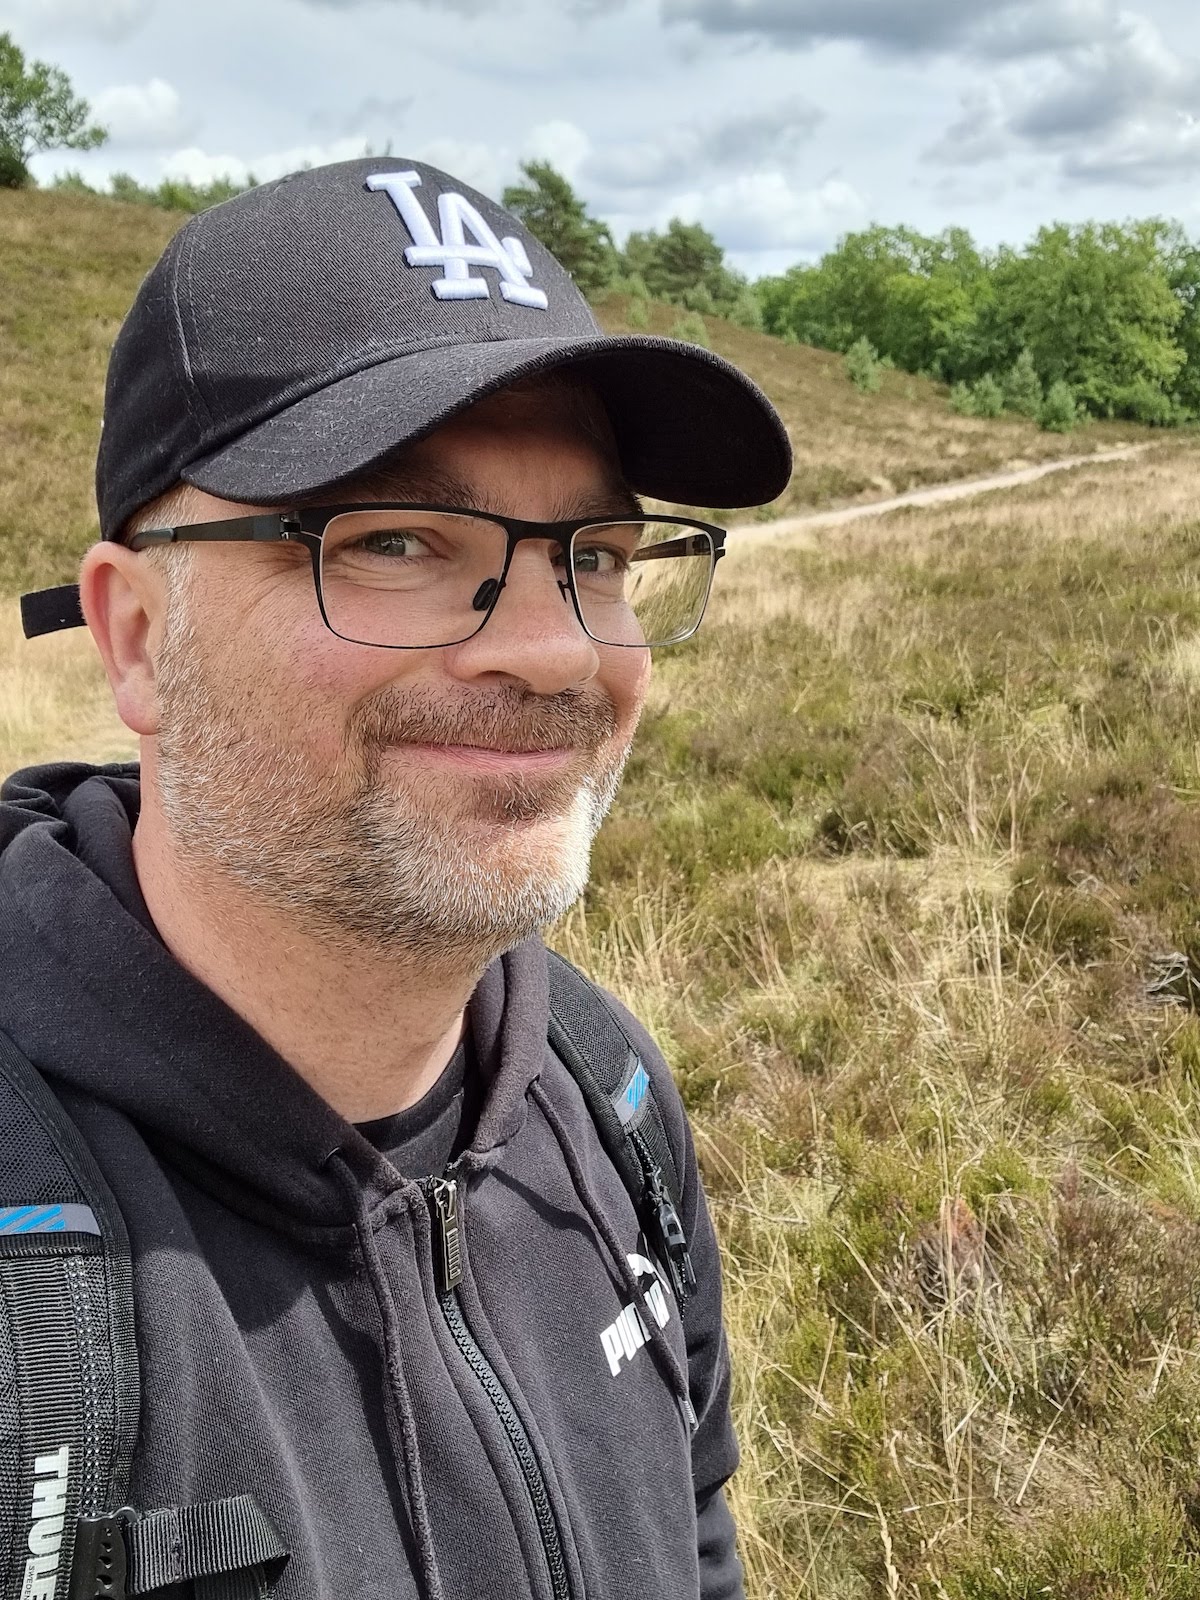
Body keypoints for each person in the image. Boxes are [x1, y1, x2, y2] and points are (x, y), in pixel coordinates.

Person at [2, 157, 791, 1600]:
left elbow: (696, 1549)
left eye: (598, 554)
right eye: (395, 543)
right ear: (131, 637)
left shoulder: (603, 1094)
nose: (558, 653)